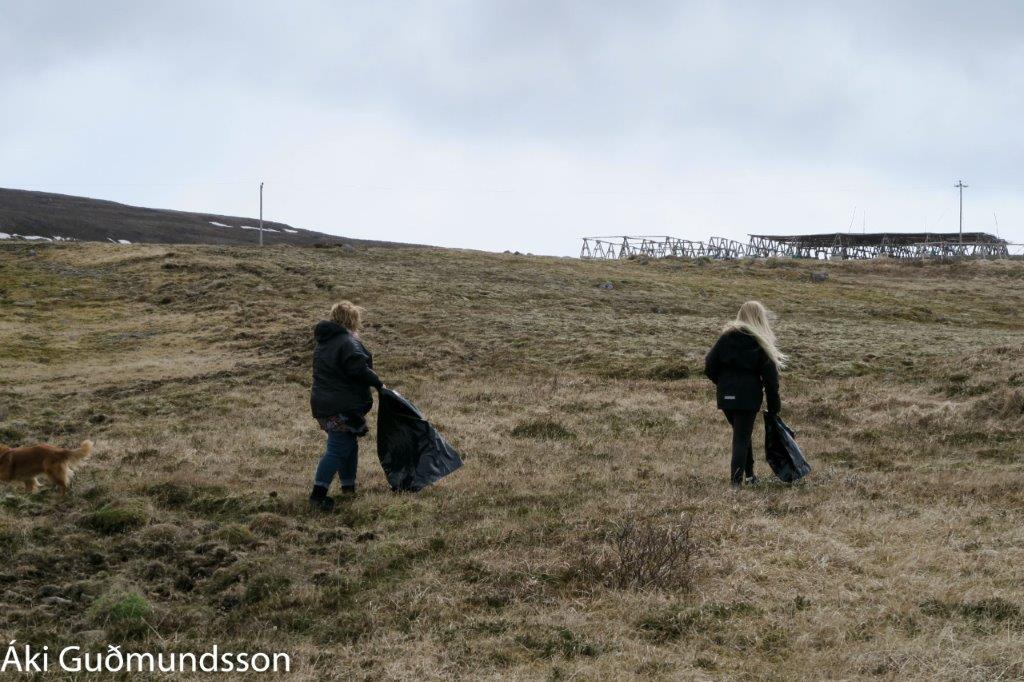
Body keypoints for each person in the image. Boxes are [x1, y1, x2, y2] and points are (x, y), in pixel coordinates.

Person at [308, 301, 385, 510]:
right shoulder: (346, 342)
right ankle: (317, 495)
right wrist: (379, 383)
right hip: (340, 405)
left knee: (348, 445)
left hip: (324, 403)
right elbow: (358, 369)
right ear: (352, 319)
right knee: (339, 447)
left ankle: (348, 488)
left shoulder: (325, 342)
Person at [704, 301, 786, 488]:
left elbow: (709, 365)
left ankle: (749, 475)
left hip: (726, 398)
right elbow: (771, 380)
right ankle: (735, 484)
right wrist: (774, 407)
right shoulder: (760, 341)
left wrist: (723, 384)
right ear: (759, 317)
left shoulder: (726, 337)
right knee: (741, 438)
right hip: (748, 398)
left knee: (742, 433)